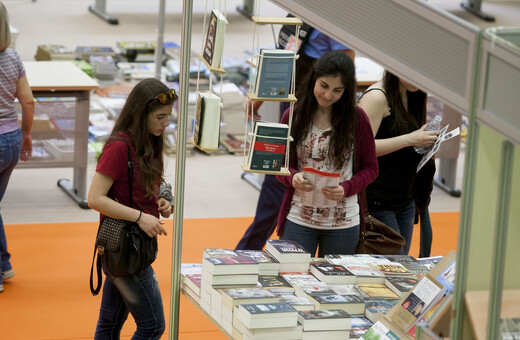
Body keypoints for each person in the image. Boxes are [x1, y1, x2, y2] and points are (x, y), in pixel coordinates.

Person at [235, 26, 353, 251]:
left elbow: (346, 65)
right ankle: (245, 254)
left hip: (315, 116)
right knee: (277, 183)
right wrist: (262, 95)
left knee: (278, 189)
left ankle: (245, 254)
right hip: (293, 109)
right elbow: (285, 57)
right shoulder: (299, 14)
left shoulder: (328, 20)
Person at [87, 78, 176, 339]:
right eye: (160, 116)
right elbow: (95, 198)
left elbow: (153, 181)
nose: (166, 123)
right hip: (126, 249)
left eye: (168, 116)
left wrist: (164, 199)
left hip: (126, 250)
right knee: (152, 327)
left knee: (110, 323)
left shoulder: (148, 141)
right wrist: (141, 217)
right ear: (141, 113)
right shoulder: (119, 147)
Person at [275, 50, 378, 257]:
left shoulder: (357, 119)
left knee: (336, 287)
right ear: (314, 78)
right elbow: (279, 163)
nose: (328, 95)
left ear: (346, 90)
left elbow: (371, 168)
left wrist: (348, 187)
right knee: (292, 279)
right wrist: (293, 176)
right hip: (298, 218)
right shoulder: (292, 115)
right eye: (324, 86)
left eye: (337, 90)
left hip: (343, 223)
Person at [358, 70, 438, 255]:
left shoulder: (414, 94)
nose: (418, 79)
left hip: (405, 198)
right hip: (377, 200)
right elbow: (361, 149)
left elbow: (407, 142)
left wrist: (427, 142)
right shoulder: (377, 97)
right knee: (392, 269)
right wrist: (411, 139)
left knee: (401, 270)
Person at [0, 1, 34, 293]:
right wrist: (26, 134)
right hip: (10, 140)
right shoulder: (13, 57)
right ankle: (3, 264)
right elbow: (28, 101)